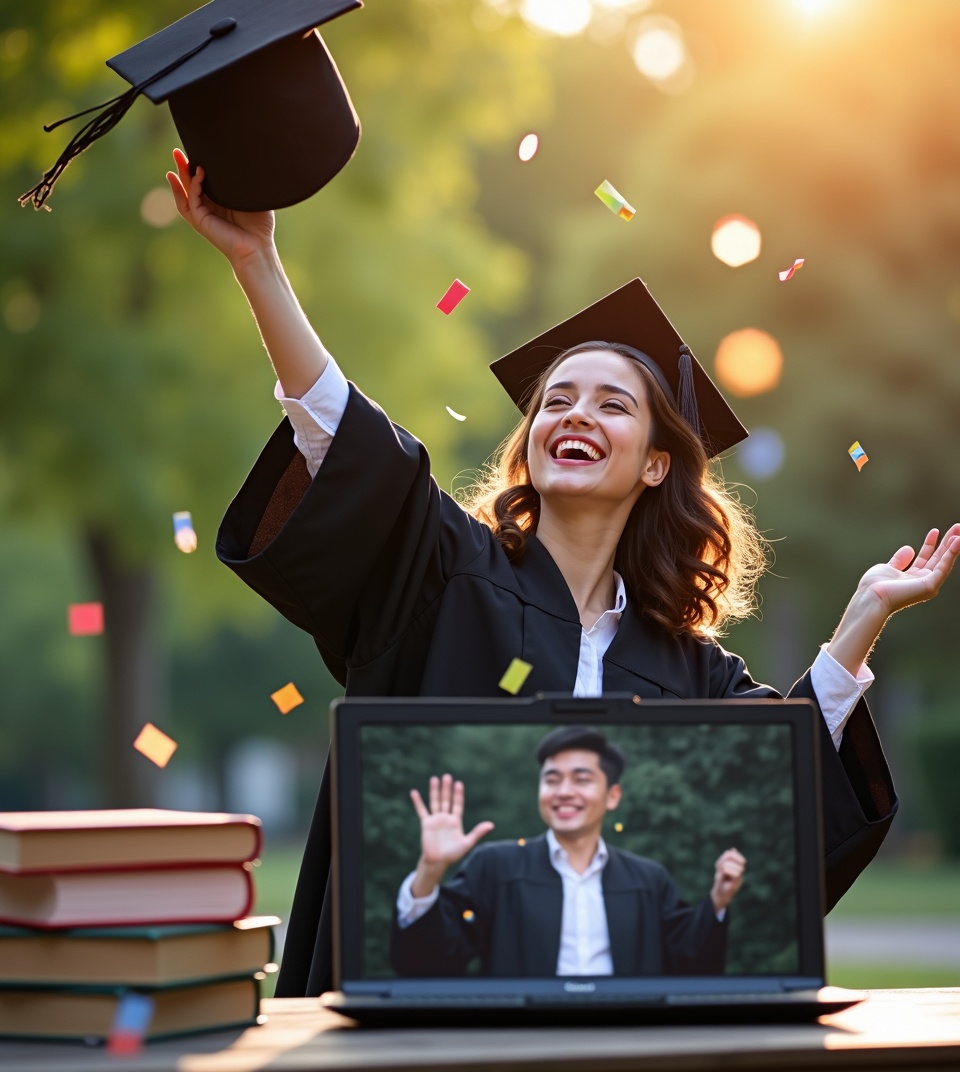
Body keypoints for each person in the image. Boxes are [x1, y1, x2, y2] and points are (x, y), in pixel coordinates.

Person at [165, 149, 960, 996]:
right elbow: (343, 436)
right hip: (420, 1020)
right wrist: (260, 264)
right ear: (532, 441)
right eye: (556, 400)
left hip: (612, 1033)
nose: (575, 413)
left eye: (612, 404)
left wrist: (856, 628)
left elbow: (772, 792)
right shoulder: (445, 577)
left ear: (656, 465)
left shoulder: (688, 669)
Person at [390, 726, 746, 978]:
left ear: (613, 796)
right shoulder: (496, 867)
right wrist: (430, 871)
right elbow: (430, 963)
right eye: (552, 779)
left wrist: (716, 902)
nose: (563, 791)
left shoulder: (648, 879)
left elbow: (690, 963)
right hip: (521, 1041)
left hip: (628, 1038)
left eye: (581, 779)